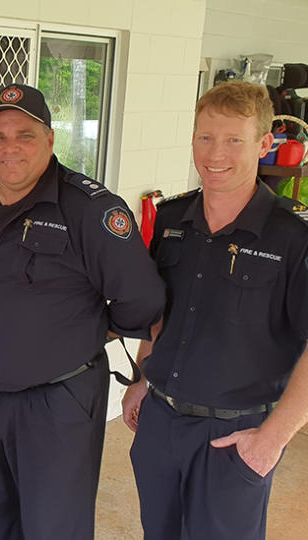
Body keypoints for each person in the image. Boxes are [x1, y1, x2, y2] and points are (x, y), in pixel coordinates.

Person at [0, 83, 165, 539]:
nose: (10, 148)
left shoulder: (90, 210)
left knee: (54, 527)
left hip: (55, 403)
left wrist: (88, 331)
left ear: (50, 139)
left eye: (24, 134)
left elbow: (142, 300)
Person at [122, 81, 308, 540]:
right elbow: (160, 310)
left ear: (265, 144)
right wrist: (144, 377)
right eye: (205, 137)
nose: (215, 153)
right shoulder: (170, 220)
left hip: (235, 435)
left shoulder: (293, 237)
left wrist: (272, 441)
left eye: (233, 140)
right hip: (161, 423)